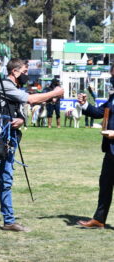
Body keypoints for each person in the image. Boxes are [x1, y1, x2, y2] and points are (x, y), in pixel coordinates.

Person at [0, 58, 64, 238]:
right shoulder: (3, 85)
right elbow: (31, 99)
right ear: (15, 71)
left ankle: (9, 221)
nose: (27, 74)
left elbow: (20, 112)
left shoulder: (16, 88)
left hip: (10, 141)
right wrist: (55, 92)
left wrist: (21, 120)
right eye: (25, 71)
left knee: (7, 181)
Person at [76, 65, 114, 228]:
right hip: (111, 150)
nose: (112, 78)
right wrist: (84, 105)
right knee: (105, 184)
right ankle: (99, 219)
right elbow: (100, 112)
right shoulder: (113, 97)